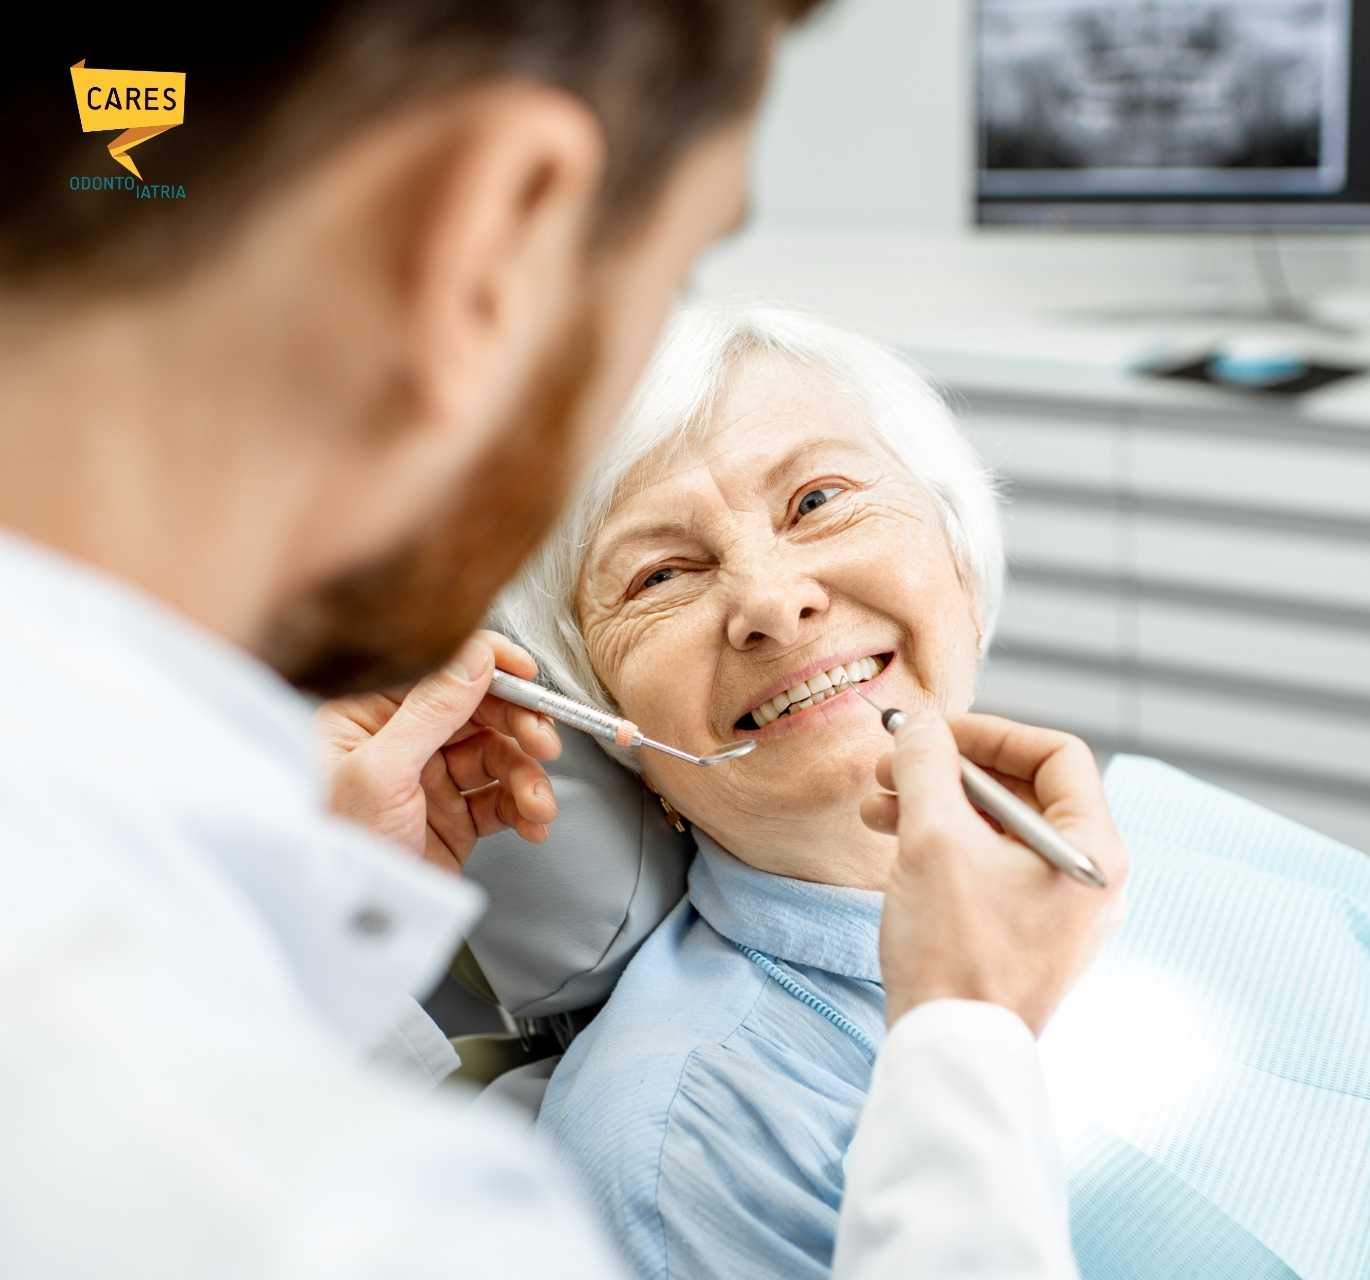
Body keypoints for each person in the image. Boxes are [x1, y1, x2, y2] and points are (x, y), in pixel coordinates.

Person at [0, 10, 1120, 1277]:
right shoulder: (388, 1202)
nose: (773, 598)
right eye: (681, 266)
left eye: (818, 499)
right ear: (495, 231)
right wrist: (966, 1042)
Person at [483, 302, 1370, 1280]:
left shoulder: (1206, 849)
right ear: (609, 719)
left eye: (818, 500)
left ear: (956, 550)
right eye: (660, 573)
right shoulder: (677, 1136)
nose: (770, 597)